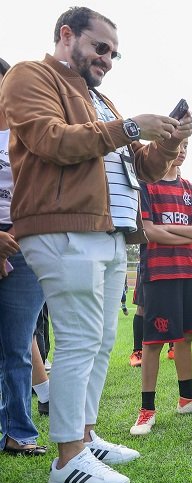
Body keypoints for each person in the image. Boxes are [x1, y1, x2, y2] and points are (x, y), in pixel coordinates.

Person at [1, 7, 192, 483]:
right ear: (67, 35)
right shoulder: (31, 74)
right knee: (79, 340)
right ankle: (68, 459)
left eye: (114, 52)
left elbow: (141, 169)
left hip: (107, 231)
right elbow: (50, 140)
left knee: (100, 342)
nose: (107, 59)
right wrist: (130, 127)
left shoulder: (99, 97)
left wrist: (168, 142)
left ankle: (83, 438)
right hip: (64, 227)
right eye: (100, 47)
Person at [129, 140, 192, 435]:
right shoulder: (147, 187)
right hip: (159, 274)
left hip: (187, 273)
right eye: (176, 145)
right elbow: (148, 232)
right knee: (153, 343)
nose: (181, 150)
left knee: (184, 338)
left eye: (185, 145)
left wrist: (166, 230)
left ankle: (187, 399)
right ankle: (147, 410)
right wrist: (188, 231)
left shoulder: (190, 189)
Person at [0, 56, 49, 457]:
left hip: (23, 247)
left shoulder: (28, 135)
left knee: (17, 347)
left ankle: (20, 433)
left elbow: (43, 193)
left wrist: (8, 240)